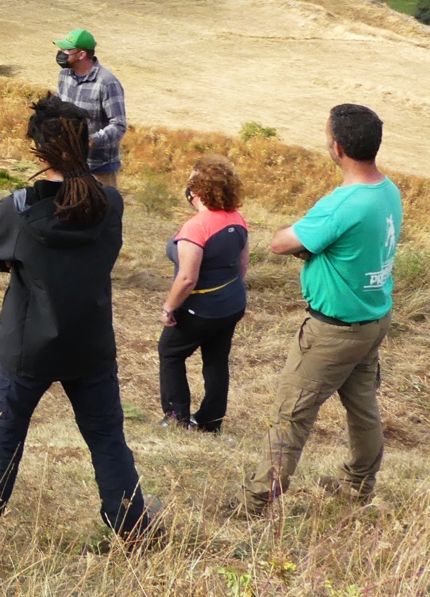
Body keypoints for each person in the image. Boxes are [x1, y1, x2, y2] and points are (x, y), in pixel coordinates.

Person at [0, 95, 156, 542]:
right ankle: (133, 526)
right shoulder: (111, 205)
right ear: (85, 146)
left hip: (26, 347)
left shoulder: (19, 208)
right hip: (91, 345)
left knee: (3, 439)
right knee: (106, 440)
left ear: (39, 152)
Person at [239, 104, 401, 513]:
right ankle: (359, 485)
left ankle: (258, 501)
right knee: (363, 409)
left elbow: (280, 243)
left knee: (290, 413)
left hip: (334, 330)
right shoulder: (387, 190)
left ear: (337, 146)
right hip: (372, 318)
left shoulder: (343, 204)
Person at [158, 155, 249, 433]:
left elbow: (187, 278)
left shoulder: (196, 227)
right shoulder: (237, 219)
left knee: (170, 352)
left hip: (201, 309)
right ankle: (210, 422)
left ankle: (176, 417)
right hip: (231, 304)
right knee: (216, 360)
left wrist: (168, 308)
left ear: (195, 191)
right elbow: (242, 266)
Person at [53, 29, 127, 189]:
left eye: (66, 50)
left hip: (98, 169)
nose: (60, 53)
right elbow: (57, 109)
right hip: (68, 165)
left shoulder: (107, 83)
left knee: (101, 214)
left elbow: (119, 125)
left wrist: (91, 140)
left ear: (81, 55)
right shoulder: (64, 75)